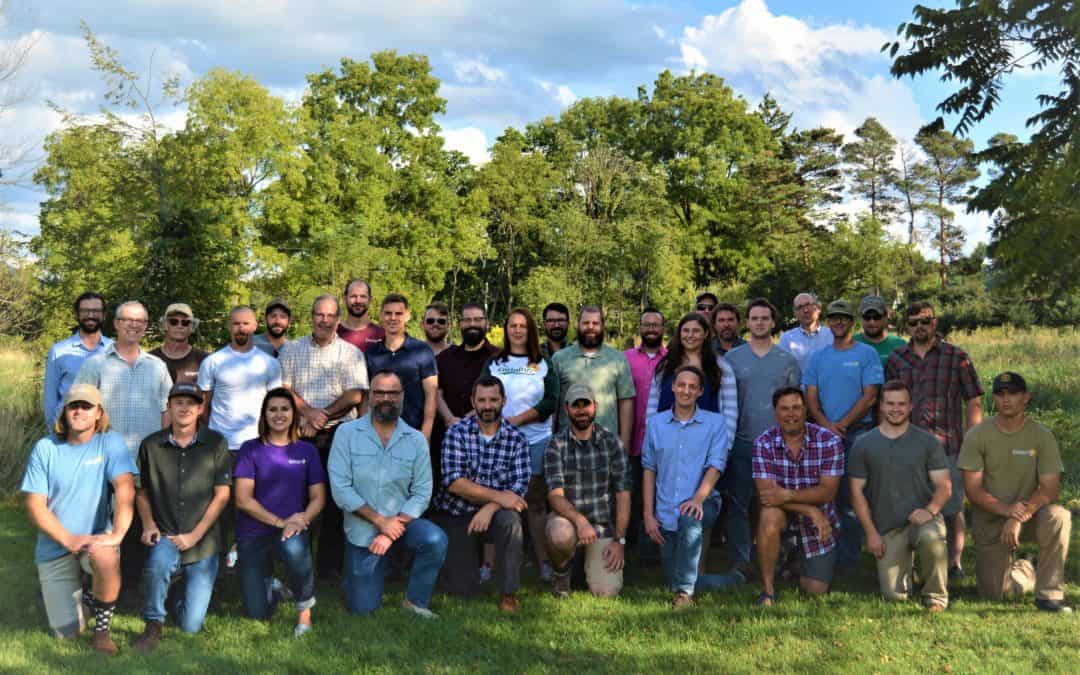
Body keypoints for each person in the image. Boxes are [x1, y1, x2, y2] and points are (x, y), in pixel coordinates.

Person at [21, 384, 135, 654]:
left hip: (95, 539)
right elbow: (35, 505)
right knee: (67, 634)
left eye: (87, 406)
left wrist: (116, 535)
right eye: (74, 406)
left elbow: (125, 488)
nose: (79, 411)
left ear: (99, 413)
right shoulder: (45, 448)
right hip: (55, 546)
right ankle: (88, 600)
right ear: (65, 412)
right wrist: (68, 539)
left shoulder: (111, 442)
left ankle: (102, 633)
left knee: (106, 556)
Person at [328, 370, 447, 618]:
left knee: (435, 540)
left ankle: (416, 601)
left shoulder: (415, 440)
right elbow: (341, 489)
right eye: (379, 392)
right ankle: (358, 578)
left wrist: (393, 527)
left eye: (393, 393)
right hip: (364, 530)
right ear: (370, 396)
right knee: (362, 609)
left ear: (402, 396)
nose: (386, 398)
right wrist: (381, 522)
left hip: (402, 525)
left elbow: (423, 491)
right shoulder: (346, 433)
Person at [75, 300, 172, 588]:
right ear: (115, 324)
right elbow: (80, 409)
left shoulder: (157, 367)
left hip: (145, 460)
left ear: (145, 327)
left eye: (140, 321)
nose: (134, 325)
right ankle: (95, 587)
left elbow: (167, 409)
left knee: (141, 525)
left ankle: (131, 587)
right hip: (104, 460)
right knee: (101, 524)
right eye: (128, 320)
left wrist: (160, 450)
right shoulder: (96, 365)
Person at [959, 372, 1072, 612]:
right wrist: (1006, 510)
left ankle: (1049, 594)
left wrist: (1017, 516)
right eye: (1000, 394)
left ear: (1026, 398)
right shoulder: (977, 435)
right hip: (990, 517)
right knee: (996, 594)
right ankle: (1028, 568)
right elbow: (973, 489)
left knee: (1059, 516)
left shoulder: (1042, 435)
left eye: (1013, 393)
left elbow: (1050, 489)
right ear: (994, 399)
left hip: (1031, 515)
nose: (1006, 399)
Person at [886, 300, 983, 579]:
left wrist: (972, 441)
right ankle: (913, 565)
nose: (919, 327)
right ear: (907, 326)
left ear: (935, 322)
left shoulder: (956, 356)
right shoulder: (897, 359)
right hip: (907, 447)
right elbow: (888, 403)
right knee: (909, 507)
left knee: (952, 509)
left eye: (925, 321)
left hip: (948, 445)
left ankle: (954, 563)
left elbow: (974, 399)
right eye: (914, 322)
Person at [134, 383, 232, 651]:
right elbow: (141, 491)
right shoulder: (151, 445)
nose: (185, 408)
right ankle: (153, 623)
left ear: (200, 409)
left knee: (191, 626)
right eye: (179, 402)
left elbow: (222, 495)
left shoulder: (216, 443)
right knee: (158, 564)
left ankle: (176, 591)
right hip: (166, 533)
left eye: (191, 403)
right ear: (169, 406)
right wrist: (149, 524)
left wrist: (194, 535)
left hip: (203, 540)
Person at [278, 294, 368, 580]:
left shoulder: (351, 353)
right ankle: (296, 563)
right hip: (300, 436)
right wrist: (309, 412)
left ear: (338, 320)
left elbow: (356, 394)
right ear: (311, 316)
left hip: (339, 437)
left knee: (334, 502)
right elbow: (283, 389)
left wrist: (324, 415)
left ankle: (329, 568)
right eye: (320, 314)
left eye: (330, 315)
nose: (324, 320)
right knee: (298, 500)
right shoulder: (291, 350)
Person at [848, 381, 952, 611]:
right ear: (881, 406)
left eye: (901, 404)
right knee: (895, 597)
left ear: (910, 406)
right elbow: (856, 493)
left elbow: (944, 486)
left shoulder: (927, 442)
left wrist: (930, 510)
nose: (896, 409)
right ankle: (911, 570)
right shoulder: (863, 445)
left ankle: (936, 596)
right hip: (887, 527)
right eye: (890, 403)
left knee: (932, 540)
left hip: (923, 519)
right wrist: (871, 533)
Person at [234, 388, 327, 636]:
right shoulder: (249, 449)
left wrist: (301, 520)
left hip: (291, 532)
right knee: (257, 613)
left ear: (293, 414)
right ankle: (275, 588)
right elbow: (243, 500)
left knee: (294, 548)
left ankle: (304, 614)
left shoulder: (307, 451)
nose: (279, 414)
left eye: (284, 409)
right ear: (264, 415)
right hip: (253, 533)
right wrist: (280, 522)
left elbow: (318, 498)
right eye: (272, 409)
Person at [434, 376, 530, 613]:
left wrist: (490, 507)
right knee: (462, 590)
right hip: (457, 514)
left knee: (511, 521)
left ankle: (508, 593)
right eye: (482, 400)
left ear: (504, 401)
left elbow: (517, 490)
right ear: (473, 401)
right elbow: (454, 482)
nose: (488, 406)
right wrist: (498, 498)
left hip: (495, 515)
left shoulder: (517, 439)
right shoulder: (457, 432)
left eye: (493, 400)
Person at [722, 298, 801, 580]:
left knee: (777, 503)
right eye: (754, 318)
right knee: (740, 505)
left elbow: (794, 406)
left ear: (773, 322)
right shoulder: (731, 360)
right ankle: (741, 561)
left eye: (765, 318)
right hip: (742, 442)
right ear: (748, 322)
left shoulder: (786, 361)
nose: (759, 322)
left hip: (777, 445)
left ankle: (780, 559)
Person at [802, 299, 883, 569]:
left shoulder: (866, 354)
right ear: (828, 322)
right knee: (826, 496)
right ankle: (824, 552)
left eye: (844, 318)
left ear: (852, 322)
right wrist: (826, 425)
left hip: (857, 434)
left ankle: (849, 560)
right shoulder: (819, 357)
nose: (839, 322)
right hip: (823, 436)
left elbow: (870, 396)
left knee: (852, 496)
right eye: (834, 318)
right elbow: (810, 397)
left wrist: (843, 424)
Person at [642, 366, 730, 608]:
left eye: (693, 386)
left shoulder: (715, 423)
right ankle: (734, 579)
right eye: (681, 385)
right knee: (677, 576)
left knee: (689, 517)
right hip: (666, 508)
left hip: (705, 501)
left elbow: (716, 466)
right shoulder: (656, 424)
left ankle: (684, 596)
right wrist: (648, 515)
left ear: (701, 391)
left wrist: (698, 500)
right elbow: (649, 469)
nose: (686, 390)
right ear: (673, 387)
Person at [483, 307, 560, 581]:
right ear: (506, 330)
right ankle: (489, 566)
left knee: (536, 503)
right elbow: (483, 395)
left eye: (522, 326)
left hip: (536, 439)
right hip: (500, 441)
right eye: (512, 325)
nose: (517, 330)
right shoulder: (495, 363)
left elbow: (551, 401)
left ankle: (543, 563)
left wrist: (519, 420)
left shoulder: (544, 363)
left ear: (530, 330)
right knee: (497, 498)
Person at [753, 387, 843, 606]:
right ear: (775, 412)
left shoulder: (829, 441)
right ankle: (768, 590)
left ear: (806, 411)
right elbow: (767, 497)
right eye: (784, 409)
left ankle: (794, 565)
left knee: (815, 590)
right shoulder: (763, 443)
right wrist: (810, 509)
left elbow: (828, 492)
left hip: (819, 524)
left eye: (796, 408)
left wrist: (787, 495)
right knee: (769, 516)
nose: (790, 414)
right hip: (792, 515)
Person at [544, 383, 630, 599]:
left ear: (596, 406)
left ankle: (586, 567)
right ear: (566, 409)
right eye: (576, 405)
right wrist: (580, 521)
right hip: (569, 522)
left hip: (602, 527)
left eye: (586, 405)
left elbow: (623, 494)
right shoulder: (556, 444)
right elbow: (555, 496)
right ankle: (561, 574)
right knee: (560, 534)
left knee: (606, 592)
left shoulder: (612, 442)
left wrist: (619, 541)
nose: (581, 410)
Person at [198, 306, 283, 452]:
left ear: (255, 326)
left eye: (246, 323)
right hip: (220, 445)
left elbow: (276, 405)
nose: (241, 328)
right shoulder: (212, 362)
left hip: (258, 443)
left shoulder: (270, 363)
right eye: (236, 324)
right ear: (229, 326)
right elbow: (203, 406)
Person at [435, 302, 500, 491]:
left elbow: (501, 395)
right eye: (467, 320)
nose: (472, 324)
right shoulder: (445, 358)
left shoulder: (498, 357)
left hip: (486, 437)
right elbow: (437, 392)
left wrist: (465, 420)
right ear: (460, 324)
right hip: (448, 436)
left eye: (478, 319)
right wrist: (449, 419)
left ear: (487, 323)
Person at [552, 305, 636, 451]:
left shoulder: (618, 359)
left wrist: (625, 446)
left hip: (607, 447)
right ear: (577, 325)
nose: (590, 327)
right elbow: (553, 405)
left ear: (603, 326)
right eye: (585, 323)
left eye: (595, 323)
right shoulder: (560, 359)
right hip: (568, 446)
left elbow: (626, 403)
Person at [646, 312, 737, 444]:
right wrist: (651, 437)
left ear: (706, 334)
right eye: (685, 330)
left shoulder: (720, 366)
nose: (690, 335)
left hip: (707, 441)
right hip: (666, 439)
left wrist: (726, 444)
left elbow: (730, 409)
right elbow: (652, 404)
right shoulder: (666, 364)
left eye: (696, 331)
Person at [624, 309, 667, 558]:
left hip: (660, 441)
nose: (651, 329)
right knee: (631, 493)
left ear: (663, 328)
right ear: (639, 327)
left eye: (656, 325)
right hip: (631, 439)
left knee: (655, 496)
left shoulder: (671, 358)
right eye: (646, 324)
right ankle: (626, 546)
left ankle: (650, 551)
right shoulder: (626, 358)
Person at [43, 291, 113, 428]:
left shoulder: (114, 350)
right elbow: (50, 401)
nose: (90, 315)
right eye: (85, 311)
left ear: (104, 315)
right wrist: (55, 434)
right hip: (69, 431)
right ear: (77, 315)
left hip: (106, 432)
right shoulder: (59, 351)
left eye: (96, 311)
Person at [150, 302, 208, 385]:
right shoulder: (150, 359)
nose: (179, 326)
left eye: (185, 322)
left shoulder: (205, 360)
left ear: (191, 327)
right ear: (165, 325)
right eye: (173, 322)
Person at [779, 292, 832, 371]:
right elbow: (783, 372)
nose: (805, 310)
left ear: (817, 308)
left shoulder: (832, 335)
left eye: (808, 305)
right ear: (795, 314)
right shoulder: (787, 339)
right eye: (800, 307)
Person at [853, 295, 905, 368]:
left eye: (877, 317)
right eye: (867, 317)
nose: (872, 322)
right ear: (861, 318)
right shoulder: (850, 343)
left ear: (885, 317)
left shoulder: (900, 345)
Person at [337, 279, 385, 352]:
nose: (358, 301)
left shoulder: (381, 335)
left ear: (370, 300)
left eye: (363, 296)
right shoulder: (334, 333)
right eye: (353, 296)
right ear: (344, 299)